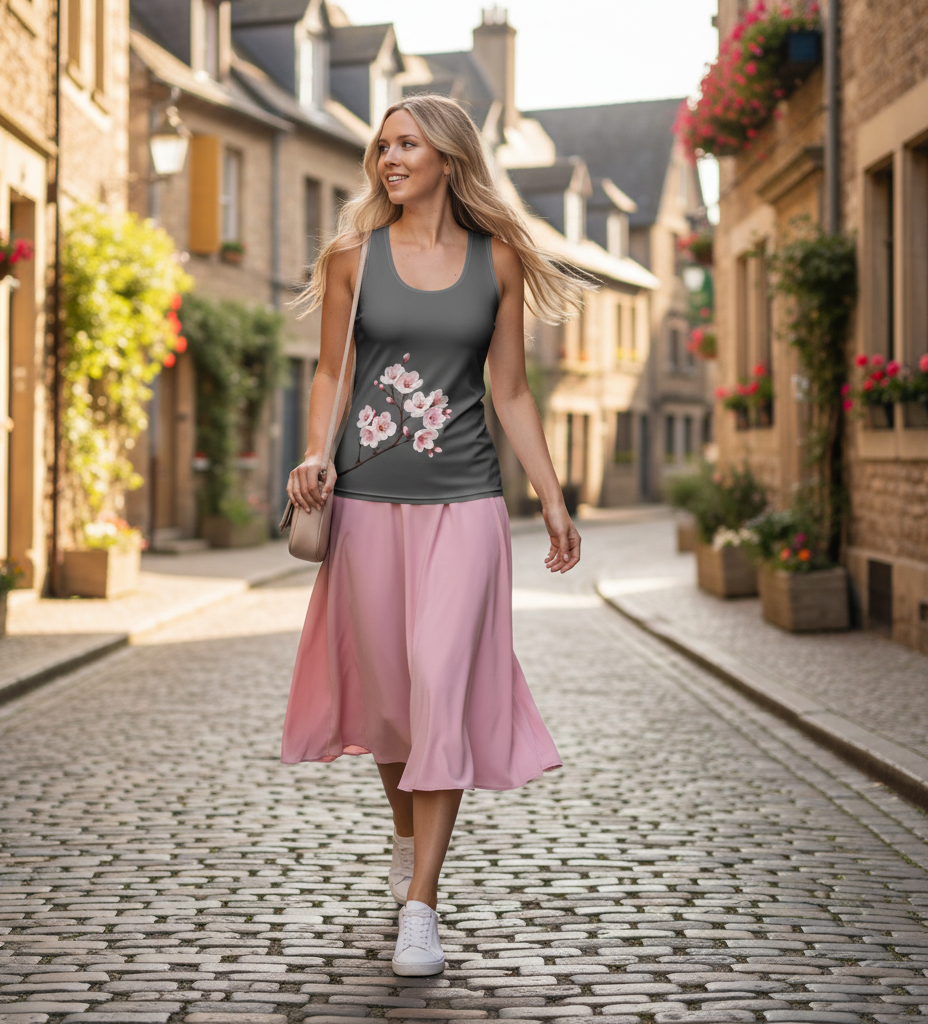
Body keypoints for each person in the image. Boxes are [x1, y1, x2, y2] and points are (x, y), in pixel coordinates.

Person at [280, 94, 583, 978]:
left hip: (468, 504)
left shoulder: (499, 261)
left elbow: (513, 393)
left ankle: (421, 904)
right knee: (391, 705)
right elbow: (333, 371)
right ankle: (413, 840)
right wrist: (315, 456)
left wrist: (553, 499)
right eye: (382, 147)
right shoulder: (350, 257)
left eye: (406, 144)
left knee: (439, 679)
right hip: (368, 507)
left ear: (449, 156)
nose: (389, 159)